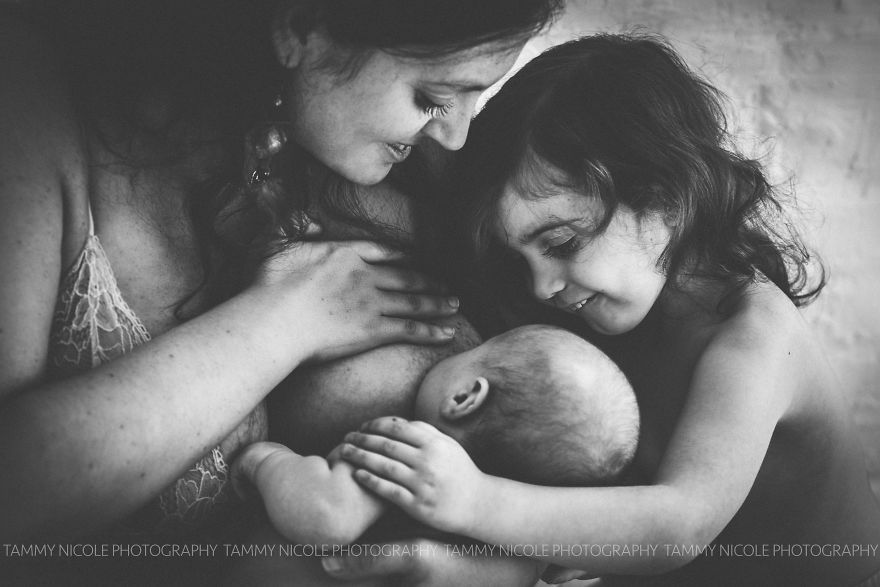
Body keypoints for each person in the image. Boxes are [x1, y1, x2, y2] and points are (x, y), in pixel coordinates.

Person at [0, 0, 564, 583]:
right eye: (432, 97)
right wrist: (284, 322)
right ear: (301, 28)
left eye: (477, 97)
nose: (455, 135)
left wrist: (502, 567)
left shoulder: (367, 162)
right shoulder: (25, 101)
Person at [339, 34, 880, 586]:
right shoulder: (595, 314)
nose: (542, 286)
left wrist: (474, 500)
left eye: (562, 243)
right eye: (520, 258)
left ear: (666, 200)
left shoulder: (752, 336)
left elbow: (677, 526)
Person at [233, 324, 639, 547]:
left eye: (478, 349)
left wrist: (265, 460)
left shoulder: (418, 456)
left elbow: (326, 516)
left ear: (463, 398)